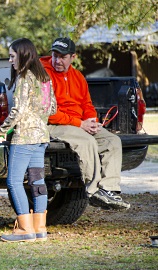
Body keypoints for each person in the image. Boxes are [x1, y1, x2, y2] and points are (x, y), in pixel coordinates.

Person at [39, 37, 130, 210]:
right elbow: (48, 113)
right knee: (86, 141)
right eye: (54, 55)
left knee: (112, 141)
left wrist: (92, 121)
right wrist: (80, 125)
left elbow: (87, 104)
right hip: (54, 123)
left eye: (62, 57)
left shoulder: (77, 76)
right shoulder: (43, 74)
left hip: (77, 123)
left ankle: (108, 190)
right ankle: (93, 190)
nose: (57, 60)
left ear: (73, 57)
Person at [0, 38, 56, 242]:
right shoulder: (45, 77)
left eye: (12, 56)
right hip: (41, 136)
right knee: (37, 180)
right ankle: (40, 229)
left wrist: (2, 130)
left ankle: (24, 229)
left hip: (25, 138)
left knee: (13, 181)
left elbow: (18, 110)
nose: (10, 60)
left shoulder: (24, 77)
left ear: (23, 55)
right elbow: (52, 108)